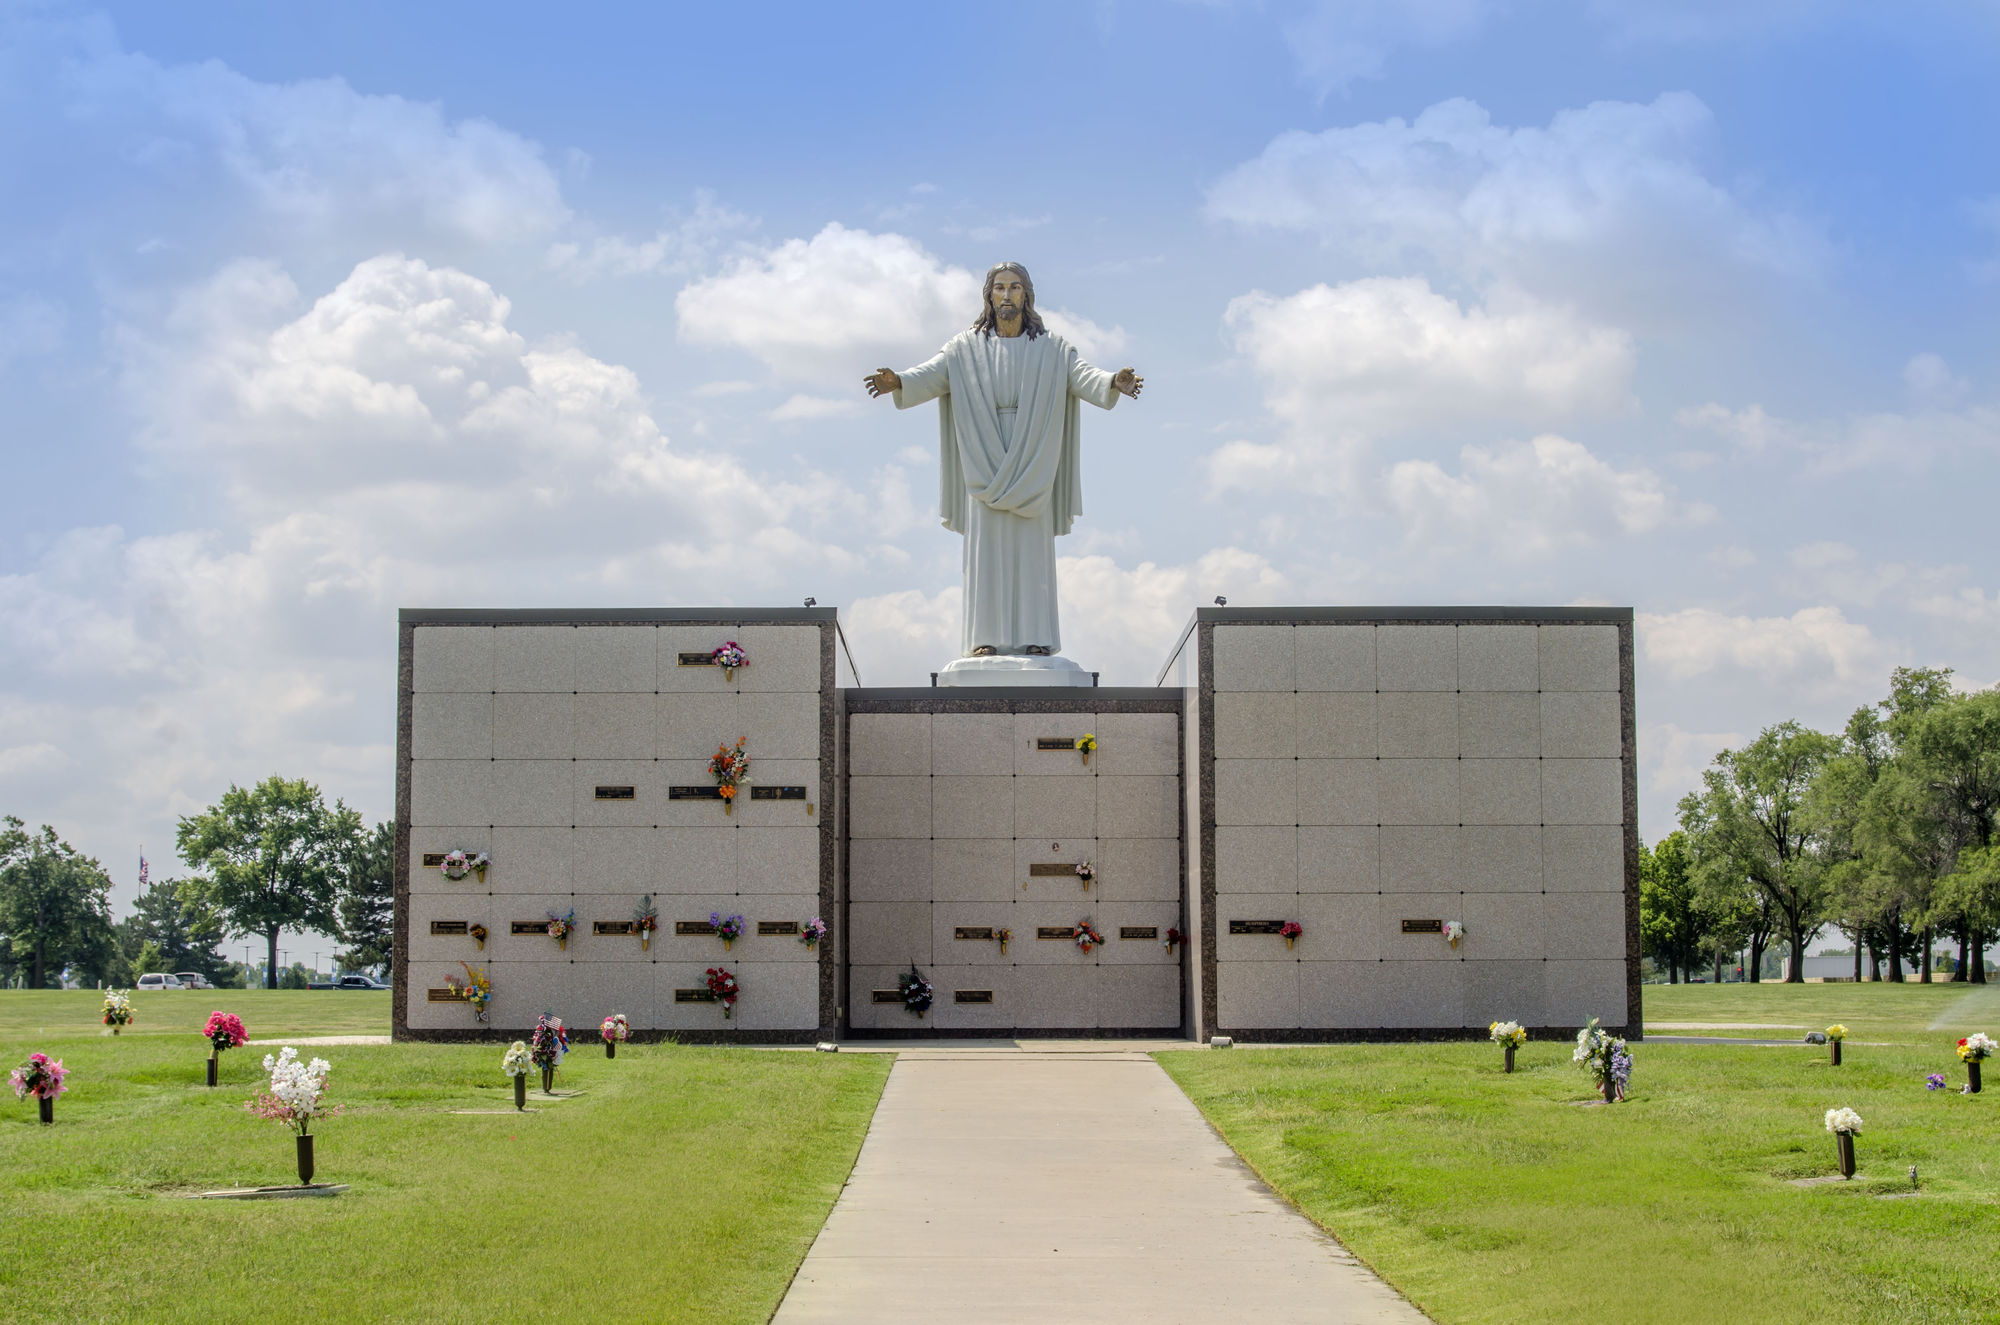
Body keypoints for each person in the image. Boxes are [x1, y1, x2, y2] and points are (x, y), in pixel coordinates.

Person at [864, 263, 1140, 659]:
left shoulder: (1052, 349)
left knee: (1032, 554)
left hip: (1034, 459)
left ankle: (1035, 638)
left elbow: (1081, 376)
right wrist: (900, 381)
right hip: (983, 457)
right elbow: (932, 373)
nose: (1007, 295)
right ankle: (985, 638)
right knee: (986, 555)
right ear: (988, 296)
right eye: (999, 288)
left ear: (1027, 295)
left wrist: (1113, 381)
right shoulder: (964, 348)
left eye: (1015, 288)